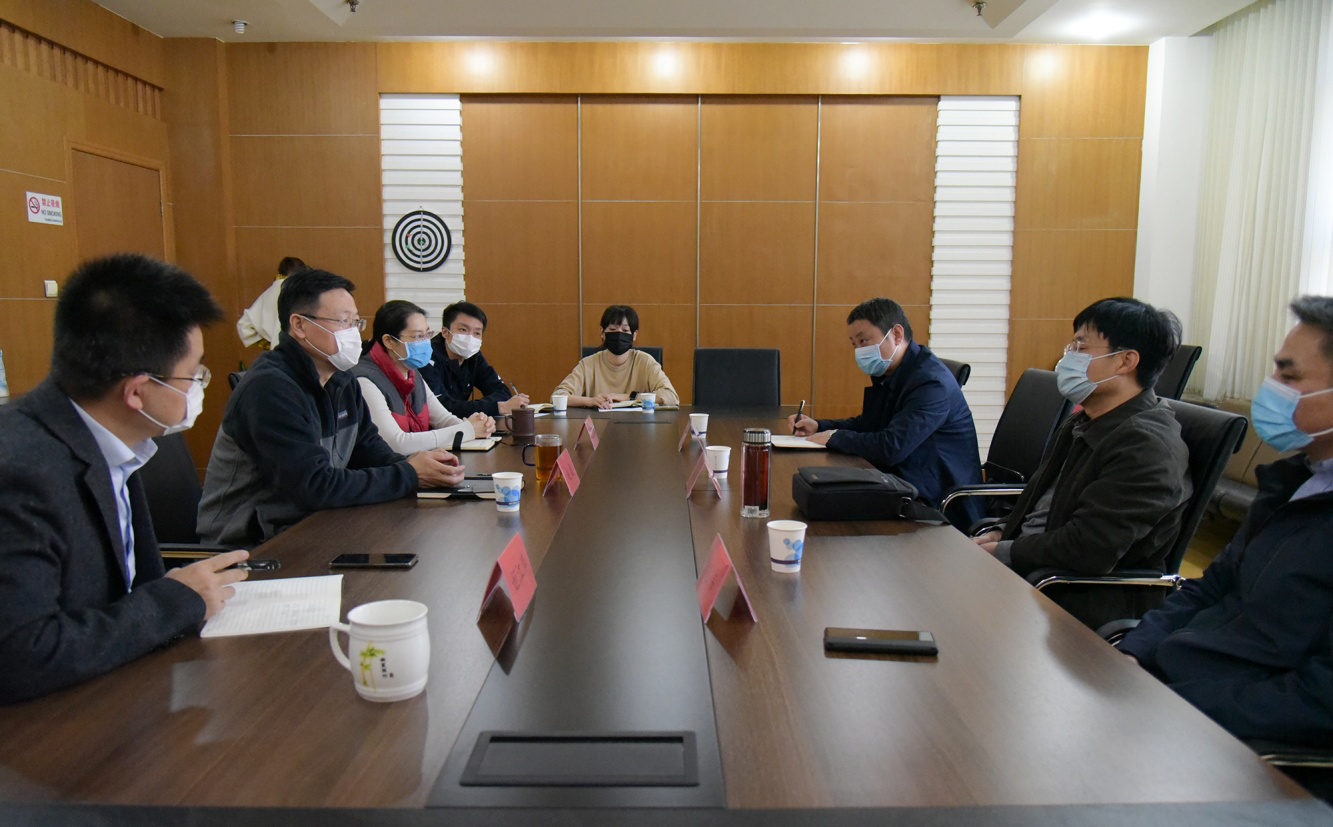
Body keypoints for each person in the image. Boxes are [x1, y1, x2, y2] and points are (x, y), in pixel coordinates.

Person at [0, 254, 249, 704]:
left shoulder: (113, 439)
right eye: (193, 375)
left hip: (120, 689)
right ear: (136, 392)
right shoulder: (20, 470)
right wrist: (175, 601)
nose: (199, 386)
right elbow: (21, 655)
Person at [1118, 295, 1333, 747]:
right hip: (1180, 683)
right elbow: (1212, 585)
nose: (1270, 388)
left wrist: (1176, 702)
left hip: (1237, 737)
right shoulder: (1296, 481)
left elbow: (1317, 699)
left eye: (1289, 376)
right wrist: (1136, 651)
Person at [198, 269, 464, 548]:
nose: (354, 333)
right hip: (251, 548)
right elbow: (314, 486)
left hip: (315, 528)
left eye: (355, 322)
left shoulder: (342, 379)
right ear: (299, 325)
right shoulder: (270, 389)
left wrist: (417, 467)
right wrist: (409, 474)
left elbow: (368, 449)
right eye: (343, 322)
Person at [973, 297, 1190, 629]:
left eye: (1080, 347)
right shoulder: (1085, 421)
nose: (1067, 358)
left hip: (1071, 597)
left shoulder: (1145, 446)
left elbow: (1088, 549)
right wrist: (1001, 532)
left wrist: (1003, 552)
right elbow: (1044, 506)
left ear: (1126, 361)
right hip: (1034, 573)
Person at [788, 297, 982, 521]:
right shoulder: (895, 372)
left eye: (864, 341)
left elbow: (891, 447)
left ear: (897, 334)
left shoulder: (931, 383)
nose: (859, 351)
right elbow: (870, 424)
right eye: (854, 344)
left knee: (827, 513)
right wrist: (820, 426)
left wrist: (835, 438)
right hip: (905, 484)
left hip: (939, 505)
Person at [353, 300, 497, 454]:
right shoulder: (365, 380)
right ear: (389, 341)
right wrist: (467, 430)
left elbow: (443, 419)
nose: (425, 342)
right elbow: (397, 443)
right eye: (417, 336)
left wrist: (477, 425)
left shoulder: (411, 371)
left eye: (427, 334)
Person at [555, 305, 679, 409]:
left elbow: (671, 396)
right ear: (602, 333)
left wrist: (628, 397)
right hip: (599, 426)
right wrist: (590, 401)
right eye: (613, 329)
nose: (619, 335)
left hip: (638, 426)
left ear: (634, 335)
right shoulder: (588, 364)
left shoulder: (645, 362)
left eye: (625, 331)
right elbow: (558, 396)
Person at [418, 301, 529, 417]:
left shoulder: (473, 355)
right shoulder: (426, 358)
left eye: (477, 333)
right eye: (463, 330)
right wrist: (498, 407)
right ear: (445, 332)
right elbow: (441, 407)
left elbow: (502, 392)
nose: (470, 338)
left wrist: (484, 406)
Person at [237, 256, 307, 349]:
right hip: (301, 348)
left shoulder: (270, 292)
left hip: (276, 352)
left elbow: (245, 325)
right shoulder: (304, 291)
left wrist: (267, 341)